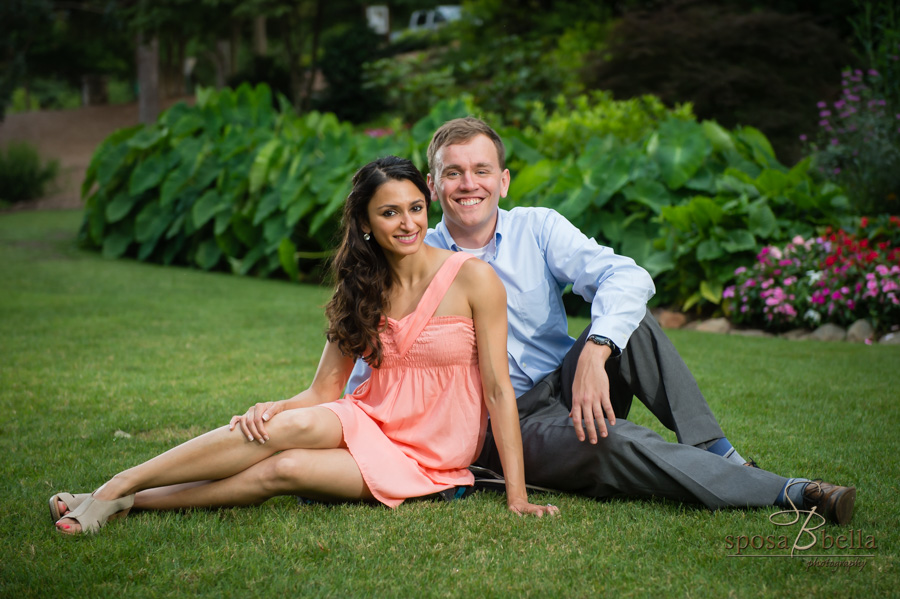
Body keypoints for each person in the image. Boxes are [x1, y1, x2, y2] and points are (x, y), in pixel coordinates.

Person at [346, 118, 857, 525]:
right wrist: (344, 428)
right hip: (503, 422)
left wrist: (597, 347)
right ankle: (789, 492)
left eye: (481, 170)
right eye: (452, 173)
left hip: (571, 381)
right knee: (609, 442)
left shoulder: (538, 227)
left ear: (503, 180)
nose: (468, 184)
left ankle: (721, 454)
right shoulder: (416, 253)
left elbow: (627, 276)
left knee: (630, 319)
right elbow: (381, 355)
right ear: (433, 186)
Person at [50, 156, 559, 534]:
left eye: (416, 208)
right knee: (283, 425)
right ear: (365, 223)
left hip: (433, 453)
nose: (408, 224)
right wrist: (272, 409)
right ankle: (115, 486)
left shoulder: (474, 279)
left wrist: (516, 495)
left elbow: (496, 390)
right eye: (389, 213)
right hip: (368, 418)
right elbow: (324, 390)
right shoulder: (361, 283)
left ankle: (129, 501)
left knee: (286, 468)